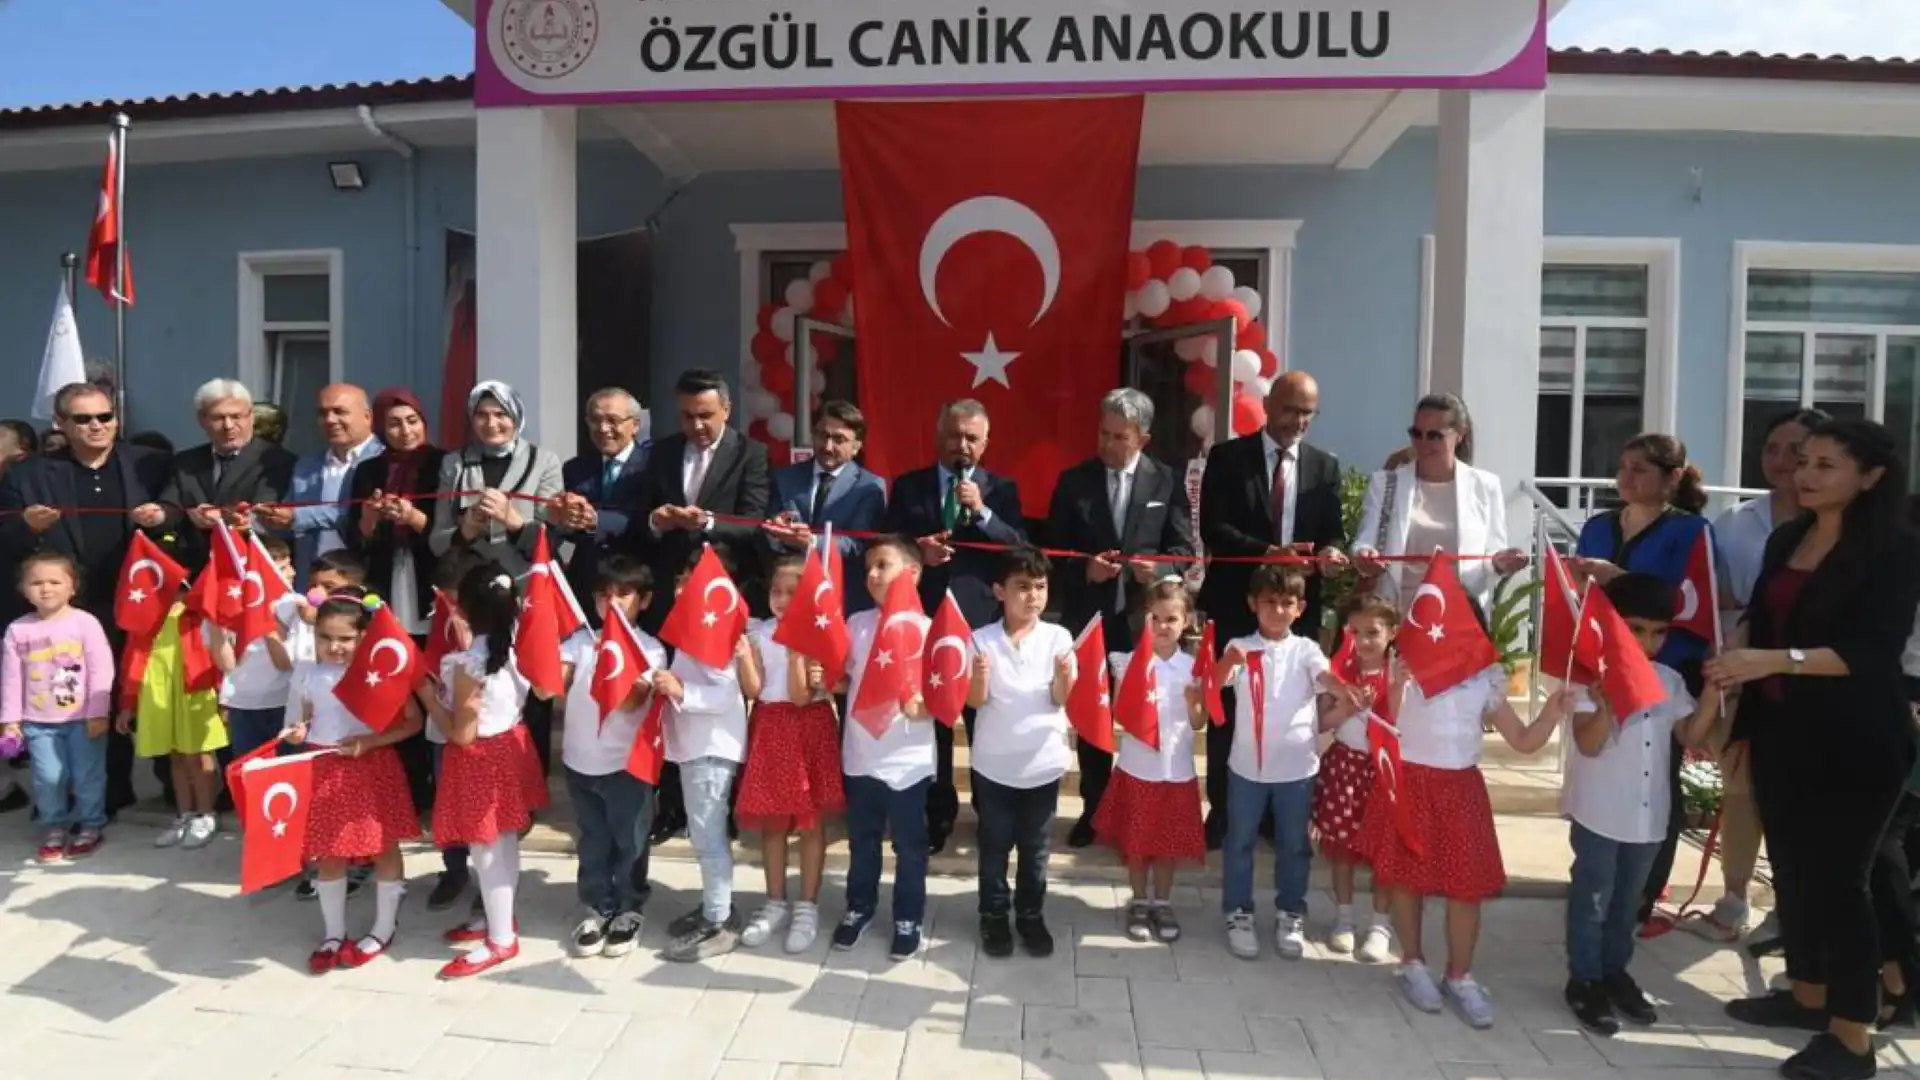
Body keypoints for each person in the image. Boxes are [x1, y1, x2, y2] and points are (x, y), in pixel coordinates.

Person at [1712, 419, 1919, 1079]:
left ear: (1871, 477)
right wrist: (1739, 654)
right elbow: (1762, 615)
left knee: (1841, 885)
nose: (1805, 474)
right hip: (1781, 728)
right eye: (1804, 461)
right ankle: (1806, 995)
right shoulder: (1788, 536)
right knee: (1794, 870)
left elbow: (1870, 652)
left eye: (1826, 465)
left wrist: (1773, 659)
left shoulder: (1895, 549)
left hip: (1857, 738)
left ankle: (1852, 1037)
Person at [1352, 618, 1579, 1029]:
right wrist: (1397, 687)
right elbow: (1380, 731)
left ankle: (1460, 975)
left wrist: (1551, 713)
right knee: (1405, 879)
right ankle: (1412, 962)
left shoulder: (1484, 680)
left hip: (1460, 789)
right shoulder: (1402, 672)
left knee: (1466, 886)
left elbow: (1523, 741)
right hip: (1410, 783)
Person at [1561, 573, 1720, 1037]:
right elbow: (1588, 744)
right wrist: (1607, 706)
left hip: (1649, 815)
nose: (1648, 642)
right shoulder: (1587, 680)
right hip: (1600, 811)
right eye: (1635, 630)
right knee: (1593, 897)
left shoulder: (1669, 680)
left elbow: (1691, 735)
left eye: (1658, 632)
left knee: (1630, 900)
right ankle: (1584, 978)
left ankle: (1616, 971)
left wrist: (1713, 695)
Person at [0, 382, 171, 813]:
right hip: (69, 611)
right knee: (81, 700)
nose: (97, 425)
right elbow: (5, 540)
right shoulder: (30, 474)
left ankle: (174, 790)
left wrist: (162, 516)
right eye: (83, 419)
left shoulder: (150, 464)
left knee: (148, 693)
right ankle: (89, 794)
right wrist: (28, 528)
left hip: (138, 601)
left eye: (104, 416)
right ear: (61, 423)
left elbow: (179, 511)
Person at [1567, 433, 1714, 935]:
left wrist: (1617, 577)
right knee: (1601, 766)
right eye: (1623, 467)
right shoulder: (1598, 525)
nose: (1625, 478)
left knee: (1655, 778)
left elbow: (1691, 602)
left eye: (1640, 470)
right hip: (1600, 669)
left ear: (1672, 479)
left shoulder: (1690, 531)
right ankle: (1594, 886)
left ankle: (1640, 899)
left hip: (1661, 671)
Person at [1199, 373, 1346, 850]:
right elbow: (1214, 529)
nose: (1298, 421)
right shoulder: (1227, 458)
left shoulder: (1324, 466)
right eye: (1290, 410)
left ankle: (1272, 816)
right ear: (1267, 405)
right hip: (1236, 605)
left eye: (1307, 413)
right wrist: (1270, 553)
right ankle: (1223, 813)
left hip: (1295, 612)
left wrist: (1332, 553)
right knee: (1230, 712)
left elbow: (1332, 532)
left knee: (1287, 711)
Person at [1046, 388, 1195, 848]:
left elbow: (1184, 550)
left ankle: (1137, 811)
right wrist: (1084, 568)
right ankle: (1094, 810)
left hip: (1143, 624)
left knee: (1142, 717)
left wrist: (1162, 570)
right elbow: (1052, 550)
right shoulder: (1074, 481)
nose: (1108, 444)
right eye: (1104, 433)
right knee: (1093, 720)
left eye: (1120, 436)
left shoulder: (1166, 481)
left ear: (1142, 439)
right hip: (1090, 621)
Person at [1700, 407, 1827, 947]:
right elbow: (1713, 596)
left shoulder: (1840, 530)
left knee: (1800, 797)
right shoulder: (1737, 521)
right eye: (1773, 448)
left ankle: (1791, 906)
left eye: (1798, 451)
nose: (1783, 461)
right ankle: (1734, 898)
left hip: (1811, 679)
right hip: (1740, 678)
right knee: (1741, 790)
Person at [884, 399, 1026, 854]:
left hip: (980, 622)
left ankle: (990, 814)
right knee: (935, 724)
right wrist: (917, 553)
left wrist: (982, 512)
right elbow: (888, 544)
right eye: (954, 435)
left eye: (971, 438)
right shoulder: (909, 487)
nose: (961, 445)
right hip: (925, 621)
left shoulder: (1001, 489)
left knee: (983, 722)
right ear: (938, 436)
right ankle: (937, 814)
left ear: (985, 443)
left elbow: (1019, 548)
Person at [636, 370, 769, 842]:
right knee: (674, 695)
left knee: (722, 696)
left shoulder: (750, 454)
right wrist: (658, 519)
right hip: (673, 594)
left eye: (706, 415)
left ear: (727, 410)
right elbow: (642, 513)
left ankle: (724, 804)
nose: (696, 425)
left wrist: (707, 521)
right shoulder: (663, 452)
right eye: (687, 415)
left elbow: (754, 522)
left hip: (722, 596)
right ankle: (672, 805)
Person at [285, 590, 422, 974]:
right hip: (325, 769)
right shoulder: (308, 674)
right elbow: (307, 718)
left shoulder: (378, 674)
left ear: (364, 636)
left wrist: (370, 742)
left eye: (345, 638)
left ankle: (384, 927)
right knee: (329, 852)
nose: (334, 646)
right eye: (325, 637)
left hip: (371, 767)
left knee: (383, 847)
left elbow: (413, 722)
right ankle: (333, 934)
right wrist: (298, 731)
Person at [429, 563, 552, 979]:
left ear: (463, 609)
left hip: (479, 757)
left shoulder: (467, 664)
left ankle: (500, 938)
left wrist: (428, 697)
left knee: (485, 851)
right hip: (511, 746)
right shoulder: (516, 648)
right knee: (505, 841)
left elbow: (462, 734)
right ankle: (500, 920)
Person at [1211, 566, 1329, 961]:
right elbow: (1214, 683)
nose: (1277, 611)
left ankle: (1290, 912)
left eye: (1286, 603)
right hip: (1247, 768)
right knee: (1239, 842)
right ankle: (1238, 911)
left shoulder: (1308, 649)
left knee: (1294, 845)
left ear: (1300, 608)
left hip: (1297, 770)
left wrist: (1346, 688)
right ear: (1252, 604)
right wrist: (1228, 660)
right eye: (1269, 602)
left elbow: (1325, 677)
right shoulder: (1240, 645)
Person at [965, 547, 1074, 960]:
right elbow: (975, 701)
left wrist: (1064, 677)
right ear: (1000, 591)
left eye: (1040, 587)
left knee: (1036, 848)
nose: (1033, 596)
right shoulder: (981, 639)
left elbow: (1060, 697)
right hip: (994, 764)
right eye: (1023, 587)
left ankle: (1030, 914)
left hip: (1042, 764)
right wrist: (978, 678)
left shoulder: (1058, 638)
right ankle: (993, 914)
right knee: (994, 846)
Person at [341, 387, 446, 810]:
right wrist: (370, 519)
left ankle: (439, 785)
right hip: (388, 584)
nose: (405, 431)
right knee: (395, 684)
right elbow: (355, 536)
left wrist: (414, 517)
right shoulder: (369, 469)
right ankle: (407, 789)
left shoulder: (443, 463)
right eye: (394, 424)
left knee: (431, 684)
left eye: (412, 421)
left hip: (428, 583)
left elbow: (450, 532)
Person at [558, 554, 666, 959]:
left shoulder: (650, 649)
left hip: (626, 765)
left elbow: (633, 700)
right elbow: (553, 686)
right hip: (580, 759)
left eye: (624, 593)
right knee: (593, 839)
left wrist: (613, 659)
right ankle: (597, 904)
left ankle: (629, 906)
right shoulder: (579, 641)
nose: (613, 602)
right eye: (605, 594)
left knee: (631, 841)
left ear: (644, 600)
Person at [736, 554, 844, 954]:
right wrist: (744, 656)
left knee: (811, 822)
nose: (781, 600)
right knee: (773, 822)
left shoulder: (819, 632)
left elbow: (802, 696)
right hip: (770, 725)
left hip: (809, 725)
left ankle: (807, 905)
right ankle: (775, 901)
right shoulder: (760, 632)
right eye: (776, 591)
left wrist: (801, 654)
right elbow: (754, 689)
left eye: (792, 593)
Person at [658, 544, 761, 963]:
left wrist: (680, 690)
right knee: (704, 835)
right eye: (679, 581)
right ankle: (714, 906)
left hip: (711, 748)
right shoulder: (695, 628)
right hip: (696, 745)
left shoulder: (714, 630)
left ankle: (718, 922)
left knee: (708, 837)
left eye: (691, 582)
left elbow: (724, 692)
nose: (681, 589)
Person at [835, 536, 934, 960]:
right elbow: (846, 680)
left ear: (912, 573)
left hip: (909, 760)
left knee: (909, 846)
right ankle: (859, 907)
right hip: (862, 754)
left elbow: (949, 695)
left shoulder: (931, 629)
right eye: (869, 568)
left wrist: (923, 706)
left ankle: (908, 916)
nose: (873, 575)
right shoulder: (856, 623)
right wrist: (827, 678)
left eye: (883, 565)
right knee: (863, 840)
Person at [1097, 577, 1206, 944]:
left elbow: (1199, 722)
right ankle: (1139, 900)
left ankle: (1163, 901)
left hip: (1176, 771)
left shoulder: (1193, 667)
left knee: (1166, 845)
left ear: (1186, 621)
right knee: (1138, 843)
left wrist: (1194, 703)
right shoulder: (1129, 662)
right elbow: (1118, 713)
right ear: (1145, 618)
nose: (1162, 626)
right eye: (1155, 618)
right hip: (1138, 768)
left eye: (1171, 619)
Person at [1354, 392, 1527, 613]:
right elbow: (1364, 541)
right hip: (1399, 614)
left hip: (1460, 615)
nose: (1423, 443)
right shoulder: (1386, 483)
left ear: (1460, 435)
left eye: (1434, 436)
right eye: (1417, 433)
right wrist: (1365, 555)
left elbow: (1491, 555)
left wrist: (1501, 562)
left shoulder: (1486, 486)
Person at [1, 551, 113, 863]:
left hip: (82, 718)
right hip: (38, 721)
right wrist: (10, 720)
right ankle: (53, 827)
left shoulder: (85, 623)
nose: (46, 588)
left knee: (87, 776)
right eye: (36, 583)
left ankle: (91, 825)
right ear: (24, 589)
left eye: (54, 581)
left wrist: (98, 711)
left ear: (72, 587)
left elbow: (101, 669)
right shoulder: (18, 630)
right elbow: (10, 678)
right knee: (48, 777)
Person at [1313, 594, 1400, 963]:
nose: (1363, 641)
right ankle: (1344, 918)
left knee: (1385, 850)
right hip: (1346, 766)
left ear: (1392, 632)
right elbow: (1321, 722)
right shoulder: (1339, 673)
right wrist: (1347, 707)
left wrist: (1395, 689)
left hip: (1386, 771)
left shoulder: (1401, 673)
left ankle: (1381, 924)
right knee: (1342, 849)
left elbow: (1405, 722)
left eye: (1372, 632)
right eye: (1356, 632)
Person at [120, 565, 228, 850]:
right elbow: (133, 663)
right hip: (159, 695)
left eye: (174, 589)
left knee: (198, 756)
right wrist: (128, 704)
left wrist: (223, 697)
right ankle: (185, 815)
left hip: (193, 693)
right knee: (176, 757)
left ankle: (206, 814)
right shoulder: (144, 621)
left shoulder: (195, 616)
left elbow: (215, 656)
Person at [158, 379, 297, 572]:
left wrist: (225, 517)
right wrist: (157, 514)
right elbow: (170, 507)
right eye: (218, 418)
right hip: (197, 569)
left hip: (251, 568)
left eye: (236, 416)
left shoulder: (276, 460)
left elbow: (266, 510)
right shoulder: (185, 462)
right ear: (202, 420)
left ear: (251, 417)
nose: (228, 426)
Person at [762, 400, 887, 615]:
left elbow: (858, 543)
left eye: (839, 439)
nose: (828, 446)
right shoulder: (785, 478)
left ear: (857, 446)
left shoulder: (869, 486)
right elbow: (766, 530)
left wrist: (811, 542)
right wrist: (777, 531)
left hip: (839, 597)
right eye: (823, 435)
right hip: (789, 597)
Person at [429, 381, 564, 578]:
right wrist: (466, 530)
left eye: (501, 414)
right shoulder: (454, 463)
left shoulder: (544, 462)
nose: (491, 424)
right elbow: (437, 543)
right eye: (481, 415)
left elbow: (552, 541)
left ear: (516, 416)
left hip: (525, 583)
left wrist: (514, 522)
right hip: (470, 583)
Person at [555, 388, 651, 618]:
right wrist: (567, 517)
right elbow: (570, 532)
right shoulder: (575, 468)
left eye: (612, 420)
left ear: (635, 425)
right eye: (595, 420)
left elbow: (649, 519)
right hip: (587, 585)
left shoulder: (654, 465)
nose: (603, 428)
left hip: (633, 586)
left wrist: (596, 520)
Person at [279, 385, 381, 589]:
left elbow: (353, 513)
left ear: (367, 417)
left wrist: (297, 516)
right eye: (322, 413)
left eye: (339, 411)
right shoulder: (306, 466)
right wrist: (257, 518)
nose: (330, 420)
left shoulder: (384, 461)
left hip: (366, 580)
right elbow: (286, 520)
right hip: (313, 583)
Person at [214, 533, 297, 763]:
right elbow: (226, 663)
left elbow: (285, 663)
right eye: (282, 568)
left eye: (290, 564)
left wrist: (267, 623)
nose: (292, 573)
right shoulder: (231, 606)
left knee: (285, 769)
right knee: (250, 771)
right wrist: (215, 623)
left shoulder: (295, 605)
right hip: (243, 704)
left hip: (284, 702)